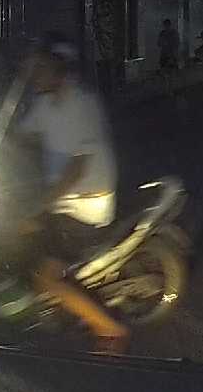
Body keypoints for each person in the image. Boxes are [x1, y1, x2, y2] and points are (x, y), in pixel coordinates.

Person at [15, 36, 127, 351]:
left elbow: (76, 170)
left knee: (47, 277)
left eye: (40, 67)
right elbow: (17, 134)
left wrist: (39, 206)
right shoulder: (44, 103)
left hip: (86, 203)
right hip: (62, 199)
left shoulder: (83, 104)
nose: (33, 74)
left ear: (59, 69)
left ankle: (111, 330)